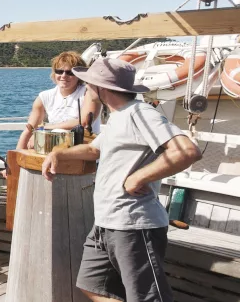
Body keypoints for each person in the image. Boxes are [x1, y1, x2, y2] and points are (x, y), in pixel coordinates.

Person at [42, 58, 202, 302]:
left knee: (147, 298)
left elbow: (187, 151)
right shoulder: (118, 116)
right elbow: (94, 150)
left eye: (88, 85)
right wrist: (57, 153)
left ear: (100, 88)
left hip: (134, 223)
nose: (85, 90)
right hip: (107, 221)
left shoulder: (140, 112)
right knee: (91, 285)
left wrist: (138, 177)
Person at [7, 52, 103, 177]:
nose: (64, 76)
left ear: (79, 76)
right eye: (59, 71)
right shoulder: (44, 97)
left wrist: (45, 128)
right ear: (54, 73)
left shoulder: (89, 93)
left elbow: (84, 121)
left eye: (70, 72)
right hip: (52, 156)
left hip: (84, 157)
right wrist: (13, 164)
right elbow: (29, 129)